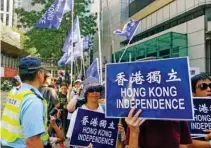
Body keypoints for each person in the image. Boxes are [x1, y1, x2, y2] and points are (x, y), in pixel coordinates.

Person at [1, 57, 49, 148]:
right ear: (39, 74)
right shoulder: (32, 100)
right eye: (43, 71)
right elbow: (32, 141)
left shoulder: (15, 92)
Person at [66, 77, 105, 148]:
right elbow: (72, 139)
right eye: (91, 90)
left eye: (97, 89)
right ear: (85, 93)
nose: (94, 92)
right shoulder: (78, 113)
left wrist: (120, 133)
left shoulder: (106, 110)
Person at [191, 73, 211, 148]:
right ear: (193, 94)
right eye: (203, 86)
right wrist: (206, 138)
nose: (209, 89)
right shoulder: (187, 114)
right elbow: (183, 142)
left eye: (210, 86)